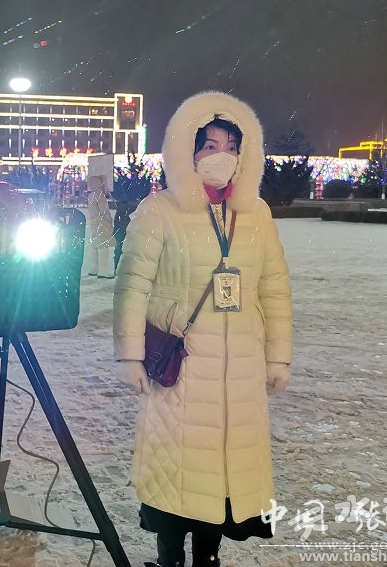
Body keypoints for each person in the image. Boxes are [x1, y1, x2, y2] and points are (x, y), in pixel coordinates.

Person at [113, 92, 293, 567]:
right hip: (184, 368)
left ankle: (208, 558)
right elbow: (132, 285)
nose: (221, 156)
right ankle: (169, 558)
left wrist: (278, 356)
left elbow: (274, 288)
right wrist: (130, 354)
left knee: (224, 475)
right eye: (209, 145)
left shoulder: (255, 215)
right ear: (186, 150)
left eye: (231, 147)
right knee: (177, 471)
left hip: (240, 371)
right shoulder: (159, 210)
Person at [85, 175, 115, 278]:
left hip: (94, 223)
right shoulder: (100, 195)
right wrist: (109, 220)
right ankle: (103, 271)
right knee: (103, 247)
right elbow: (104, 211)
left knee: (95, 246)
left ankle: (93, 269)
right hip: (102, 223)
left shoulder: (91, 195)